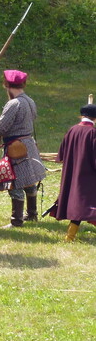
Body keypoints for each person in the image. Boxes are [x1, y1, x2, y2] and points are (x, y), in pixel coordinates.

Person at [0, 70, 46, 228]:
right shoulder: (29, 100)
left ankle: (16, 220)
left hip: (16, 147)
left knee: (15, 183)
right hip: (27, 143)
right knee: (29, 180)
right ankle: (31, 214)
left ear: (7, 85)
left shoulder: (13, 104)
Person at [50, 103, 96, 241]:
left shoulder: (72, 130)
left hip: (73, 172)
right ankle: (70, 236)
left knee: (80, 204)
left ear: (81, 115)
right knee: (86, 204)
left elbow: (62, 153)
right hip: (88, 175)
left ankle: (70, 236)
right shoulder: (93, 133)